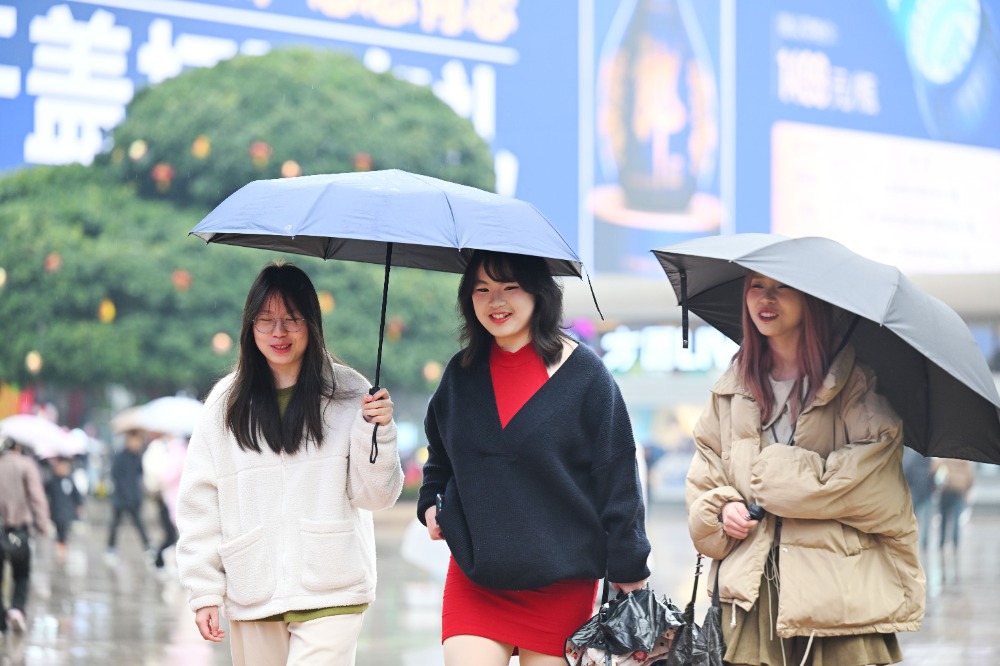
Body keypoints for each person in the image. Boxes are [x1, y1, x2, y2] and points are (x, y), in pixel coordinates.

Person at [418, 250, 651, 666]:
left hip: (560, 584)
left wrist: (630, 568)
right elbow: (440, 457)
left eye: (510, 287)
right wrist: (430, 504)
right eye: (482, 290)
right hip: (477, 576)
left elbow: (617, 478)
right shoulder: (460, 375)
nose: (496, 302)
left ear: (538, 293)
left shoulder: (585, 376)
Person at [685, 272, 925, 666]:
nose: (767, 298)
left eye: (782, 287)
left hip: (835, 593)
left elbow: (873, 478)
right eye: (757, 287)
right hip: (752, 592)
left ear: (810, 299)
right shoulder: (731, 388)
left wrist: (778, 478)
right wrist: (722, 507)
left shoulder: (854, 382)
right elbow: (706, 471)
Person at [176, 261, 404, 666]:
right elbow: (200, 503)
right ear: (250, 327)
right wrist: (204, 591)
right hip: (254, 587)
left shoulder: (351, 392)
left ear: (311, 324)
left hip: (332, 586)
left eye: (291, 320)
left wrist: (378, 431)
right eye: (266, 321)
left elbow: (377, 496)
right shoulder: (224, 404)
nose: (278, 333)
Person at [0, 437, 50, 635]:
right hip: (20, 531)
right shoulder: (26, 466)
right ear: (19, 447)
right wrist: (42, 525)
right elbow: (37, 497)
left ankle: (1, 622)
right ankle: (16, 610)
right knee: (21, 575)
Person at [106, 430, 152, 561]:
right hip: (120, 497)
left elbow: (140, 474)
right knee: (115, 523)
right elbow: (115, 475)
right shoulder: (120, 456)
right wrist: (124, 490)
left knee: (139, 523)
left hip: (134, 497)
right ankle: (110, 547)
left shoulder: (137, 457)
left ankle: (147, 546)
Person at [930, 457, 975, 580]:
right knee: (955, 519)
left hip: (946, 489)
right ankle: (955, 544)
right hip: (959, 491)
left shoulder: (944, 456)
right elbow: (970, 477)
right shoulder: (965, 459)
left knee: (944, 518)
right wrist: (967, 489)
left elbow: (934, 469)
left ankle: (942, 543)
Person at [43, 455, 84, 564]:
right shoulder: (52, 481)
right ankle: (60, 549)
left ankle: (62, 551)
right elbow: (44, 492)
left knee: (64, 533)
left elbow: (76, 495)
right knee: (59, 532)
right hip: (56, 512)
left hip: (67, 512)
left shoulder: (69, 480)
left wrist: (79, 506)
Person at [902, 447, 933, 552]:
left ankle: (911, 539)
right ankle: (925, 542)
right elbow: (934, 473)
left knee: (913, 517)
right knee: (926, 518)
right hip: (927, 492)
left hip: (915, 490)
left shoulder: (912, 455)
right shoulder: (930, 458)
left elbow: (906, 469)